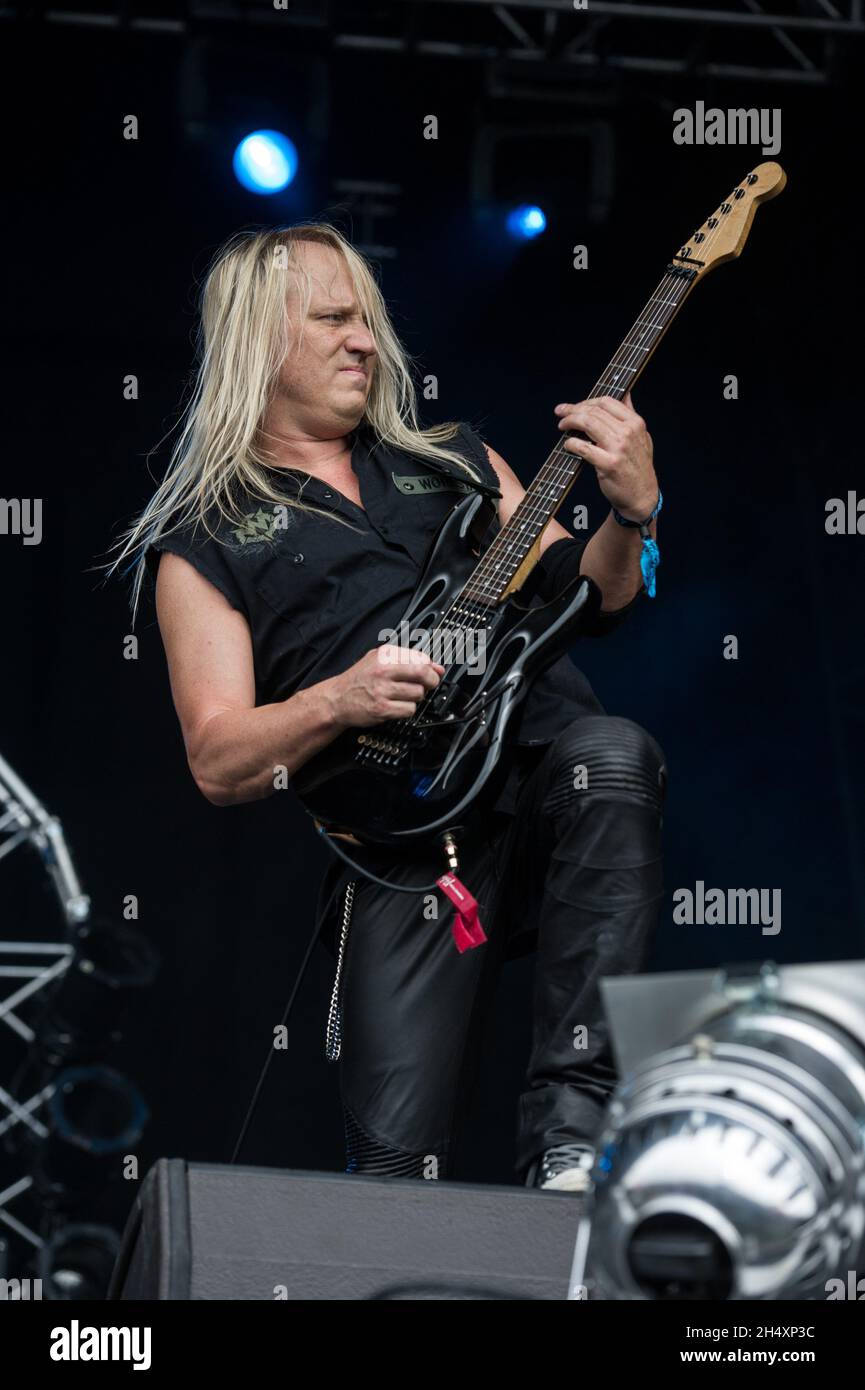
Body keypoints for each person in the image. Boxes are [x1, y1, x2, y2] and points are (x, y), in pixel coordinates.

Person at [113, 223, 666, 1191]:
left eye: (366, 317)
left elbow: (600, 594)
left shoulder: (455, 460)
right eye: (332, 317)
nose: (364, 338)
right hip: (411, 847)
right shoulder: (201, 537)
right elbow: (218, 757)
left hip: (543, 781)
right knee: (391, 1170)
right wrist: (341, 695)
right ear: (258, 339)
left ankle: (576, 1140)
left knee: (613, 751)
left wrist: (633, 514)